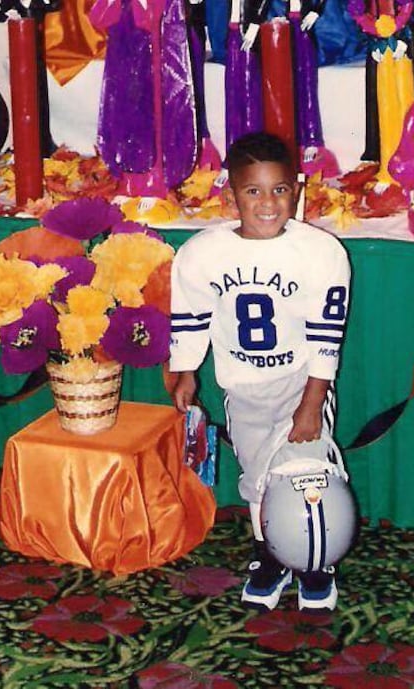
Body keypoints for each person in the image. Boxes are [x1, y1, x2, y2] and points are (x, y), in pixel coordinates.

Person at [169, 132, 351, 612]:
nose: (268, 203)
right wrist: (185, 370)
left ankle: (315, 559)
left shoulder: (320, 251)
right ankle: (270, 553)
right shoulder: (203, 252)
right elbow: (191, 315)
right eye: (253, 191)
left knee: (306, 471)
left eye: (280, 190)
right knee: (258, 479)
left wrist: (312, 402)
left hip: (299, 380)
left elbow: (325, 335)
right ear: (231, 195)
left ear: (299, 189)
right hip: (244, 384)